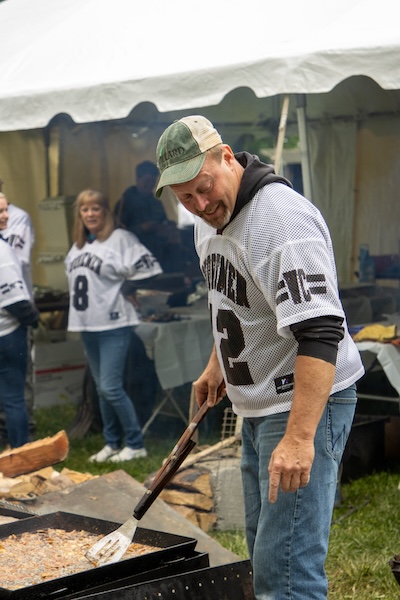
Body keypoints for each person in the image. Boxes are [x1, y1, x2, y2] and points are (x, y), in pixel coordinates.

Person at [155, 115, 365, 599]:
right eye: (185, 198)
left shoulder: (279, 220)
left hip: (302, 404)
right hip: (256, 403)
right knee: (266, 554)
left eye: (204, 188)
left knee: (287, 573)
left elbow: (320, 330)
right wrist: (218, 362)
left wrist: (298, 437)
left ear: (226, 156)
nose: (200, 205)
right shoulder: (207, 220)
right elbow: (234, 299)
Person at [65, 189, 162, 463]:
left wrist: (128, 286)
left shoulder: (121, 239)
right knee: (101, 387)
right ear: (80, 214)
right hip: (88, 325)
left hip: (114, 324)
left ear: (105, 212)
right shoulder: (79, 245)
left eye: (96, 208)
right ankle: (111, 443)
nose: (91, 214)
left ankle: (135, 443)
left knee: (110, 387)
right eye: (85, 209)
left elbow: (150, 268)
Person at [0, 196, 39, 448]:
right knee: (14, 399)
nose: (6, 216)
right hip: (8, 332)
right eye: (0, 212)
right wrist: (33, 319)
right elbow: (13, 298)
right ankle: (22, 455)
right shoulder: (2, 248)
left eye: (6, 210)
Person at [114, 160, 193, 273]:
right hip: (134, 258)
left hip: (158, 255)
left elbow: (163, 223)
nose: (149, 185)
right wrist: (141, 228)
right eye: (146, 180)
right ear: (138, 179)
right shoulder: (124, 203)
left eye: (152, 181)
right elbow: (117, 233)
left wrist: (168, 227)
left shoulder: (156, 204)